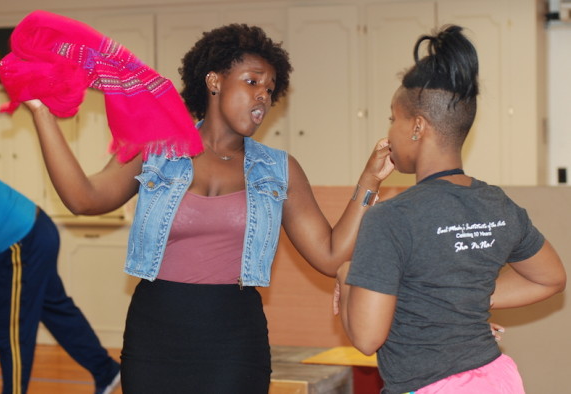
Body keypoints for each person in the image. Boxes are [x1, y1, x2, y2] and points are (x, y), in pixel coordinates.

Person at [20, 22, 394, 393]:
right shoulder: (156, 148)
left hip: (234, 342)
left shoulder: (279, 170)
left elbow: (330, 255)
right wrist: (41, 112)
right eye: (252, 81)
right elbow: (84, 198)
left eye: (269, 88)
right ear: (214, 81)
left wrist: (369, 181)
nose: (263, 95)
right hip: (154, 338)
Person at [334, 25, 566, 394]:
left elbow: (365, 338)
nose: (390, 131)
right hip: (498, 380)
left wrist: (348, 275)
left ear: (418, 127)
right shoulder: (498, 203)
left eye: (393, 119)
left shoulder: (390, 218)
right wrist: (460, 298)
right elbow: (551, 278)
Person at [0, 174, 121, 394]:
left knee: (12, 332)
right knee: (56, 311)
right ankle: (105, 370)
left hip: (19, 243)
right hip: (36, 230)